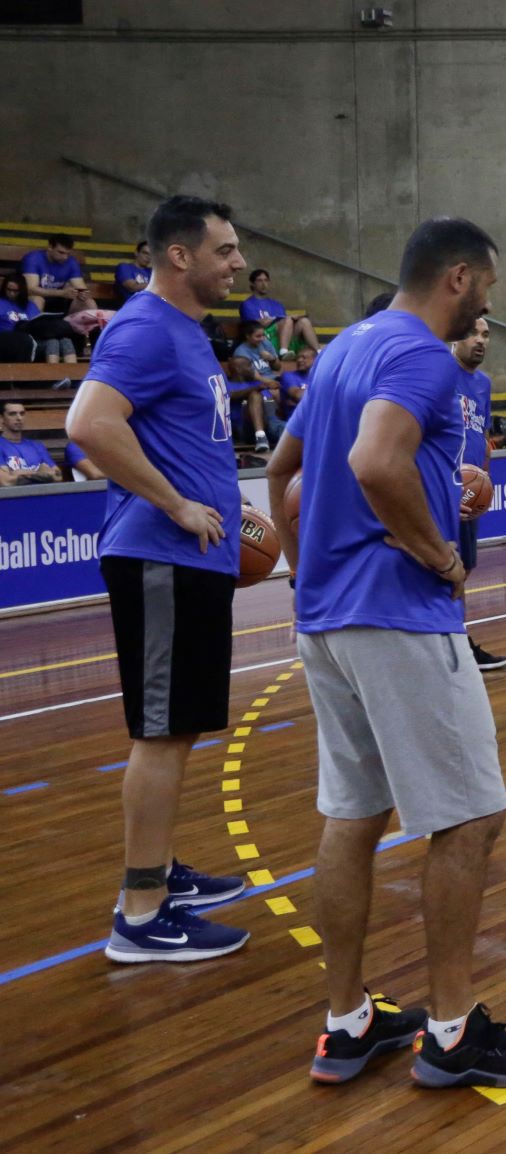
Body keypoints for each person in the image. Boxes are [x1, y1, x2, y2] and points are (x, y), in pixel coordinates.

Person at [265, 216, 506, 1088]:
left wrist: (308, 563)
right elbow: (372, 461)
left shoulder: (344, 348)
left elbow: (285, 472)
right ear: (460, 278)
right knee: (470, 816)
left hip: (326, 619)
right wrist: (438, 553)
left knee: (352, 816)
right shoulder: (423, 355)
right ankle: (448, 1032)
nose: (488, 302)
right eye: (489, 287)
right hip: (398, 615)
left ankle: (348, 1022)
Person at [63, 194, 251, 964]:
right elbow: (87, 425)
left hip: (191, 559)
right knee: (159, 733)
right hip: (161, 557)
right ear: (179, 256)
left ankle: (160, 870)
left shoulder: (185, 333)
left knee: (177, 730)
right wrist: (174, 502)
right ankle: (139, 914)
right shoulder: (143, 328)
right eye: (226, 250)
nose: (238, 263)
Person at [453, 317, 506, 672]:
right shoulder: (438, 373)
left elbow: (482, 436)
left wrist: (484, 482)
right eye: (472, 332)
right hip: (442, 490)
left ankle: (455, 639)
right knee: (447, 569)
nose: (480, 340)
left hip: (471, 491)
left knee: (466, 567)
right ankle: (455, 644)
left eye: (486, 335)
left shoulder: (483, 384)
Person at [1, 272, 79, 363]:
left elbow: (37, 324)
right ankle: (53, 376)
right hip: (12, 342)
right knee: (52, 342)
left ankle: (72, 375)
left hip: (35, 339)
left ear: (22, 290)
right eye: (8, 290)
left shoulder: (29, 305)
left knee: (65, 340)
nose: (11, 293)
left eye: (15, 291)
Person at [239, 268, 322, 353]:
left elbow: (285, 324)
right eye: (259, 281)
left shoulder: (276, 304)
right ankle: (283, 352)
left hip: (282, 337)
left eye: (266, 280)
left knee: (304, 321)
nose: (264, 284)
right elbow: (254, 326)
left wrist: (290, 318)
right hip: (264, 338)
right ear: (253, 284)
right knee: (288, 319)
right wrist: (280, 318)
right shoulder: (247, 304)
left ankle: (319, 352)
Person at [22, 233, 87, 313]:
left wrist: (83, 294)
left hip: (59, 301)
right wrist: (61, 293)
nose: (65, 257)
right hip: (34, 298)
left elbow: (81, 288)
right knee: (37, 299)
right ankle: (33, 325)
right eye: (61, 252)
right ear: (50, 247)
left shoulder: (71, 262)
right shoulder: (33, 259)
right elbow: (30, 289)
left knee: (88, 302)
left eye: (68, 253)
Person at [0, 400, 60, 485]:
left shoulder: (37, 446)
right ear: (1, 418)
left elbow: (58, 476)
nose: (19, 418)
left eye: (22, 413)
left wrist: (19, 473)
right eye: (12, 414)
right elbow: (5, 482)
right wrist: (39, 473)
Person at [224, 352, 274, 453]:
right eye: (249, 366)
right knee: (255, 395)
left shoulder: (258, 383)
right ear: (238, 369)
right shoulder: (227, 385)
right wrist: (254, 389)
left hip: (270, 424)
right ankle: (260, 436)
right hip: (243, 429)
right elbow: (231, 395)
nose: (253, 369)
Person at [277, 347, 316, 422]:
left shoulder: (320, 377)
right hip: (296, 422)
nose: (299, 360)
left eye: (304, 358)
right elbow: (298, 396)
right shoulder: (288, 376)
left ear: (315, 360)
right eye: (297, 358)